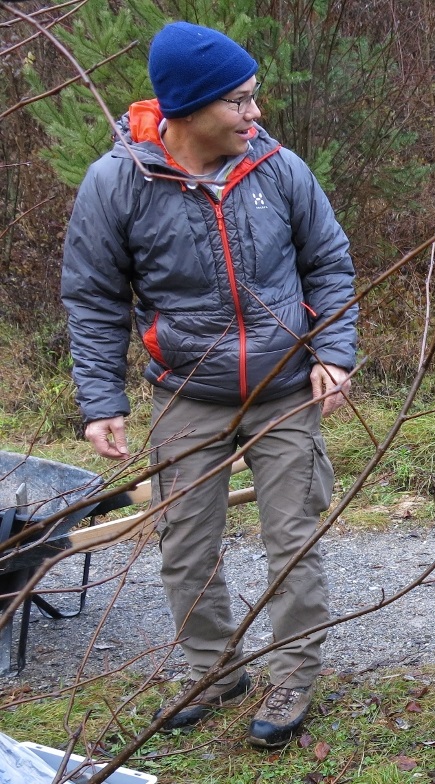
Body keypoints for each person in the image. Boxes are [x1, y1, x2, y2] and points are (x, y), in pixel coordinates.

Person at [60, 21, 358, 748]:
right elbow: (94, 299)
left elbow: (329, 263)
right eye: (240, 100)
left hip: (285, 387)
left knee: (292, 540)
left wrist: (333, 352)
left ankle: (293, 675)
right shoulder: (118, 183)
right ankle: (214, 669)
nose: (256, 113)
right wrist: (101, 400)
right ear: (189, 109)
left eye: (254, 96)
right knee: (185, 545)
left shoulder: (279, 168)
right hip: (185, 392)